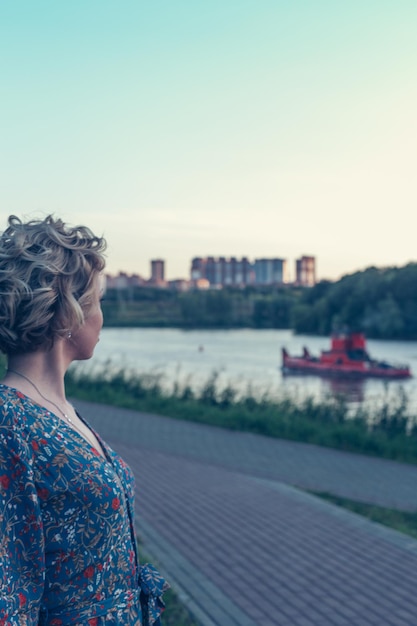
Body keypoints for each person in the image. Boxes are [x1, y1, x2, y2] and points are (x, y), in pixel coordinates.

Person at [0, 215, 168, 625]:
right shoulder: (8, 424)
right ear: (67, 311)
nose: (101, 317)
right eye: (98, 300)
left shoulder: (59, 409)